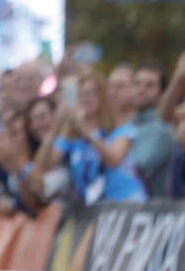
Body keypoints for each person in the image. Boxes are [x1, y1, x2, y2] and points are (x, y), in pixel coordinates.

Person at [37, 72, 147, 205]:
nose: (86, 99)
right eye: (81, 95)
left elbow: (113, 160)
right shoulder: (71, 138)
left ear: (103, 97)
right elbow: (43, 166)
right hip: (95, 211)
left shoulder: (122, 130)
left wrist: (85, 128)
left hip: (127, 204)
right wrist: (57, 125)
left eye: (92, 93)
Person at [128, 60, 176, 197]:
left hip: (152, 211)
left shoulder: (162, 129)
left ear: (162, 93)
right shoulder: (129, 125)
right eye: (136, 83)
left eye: (149, 85)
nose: (141, 90)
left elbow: (138, 166)